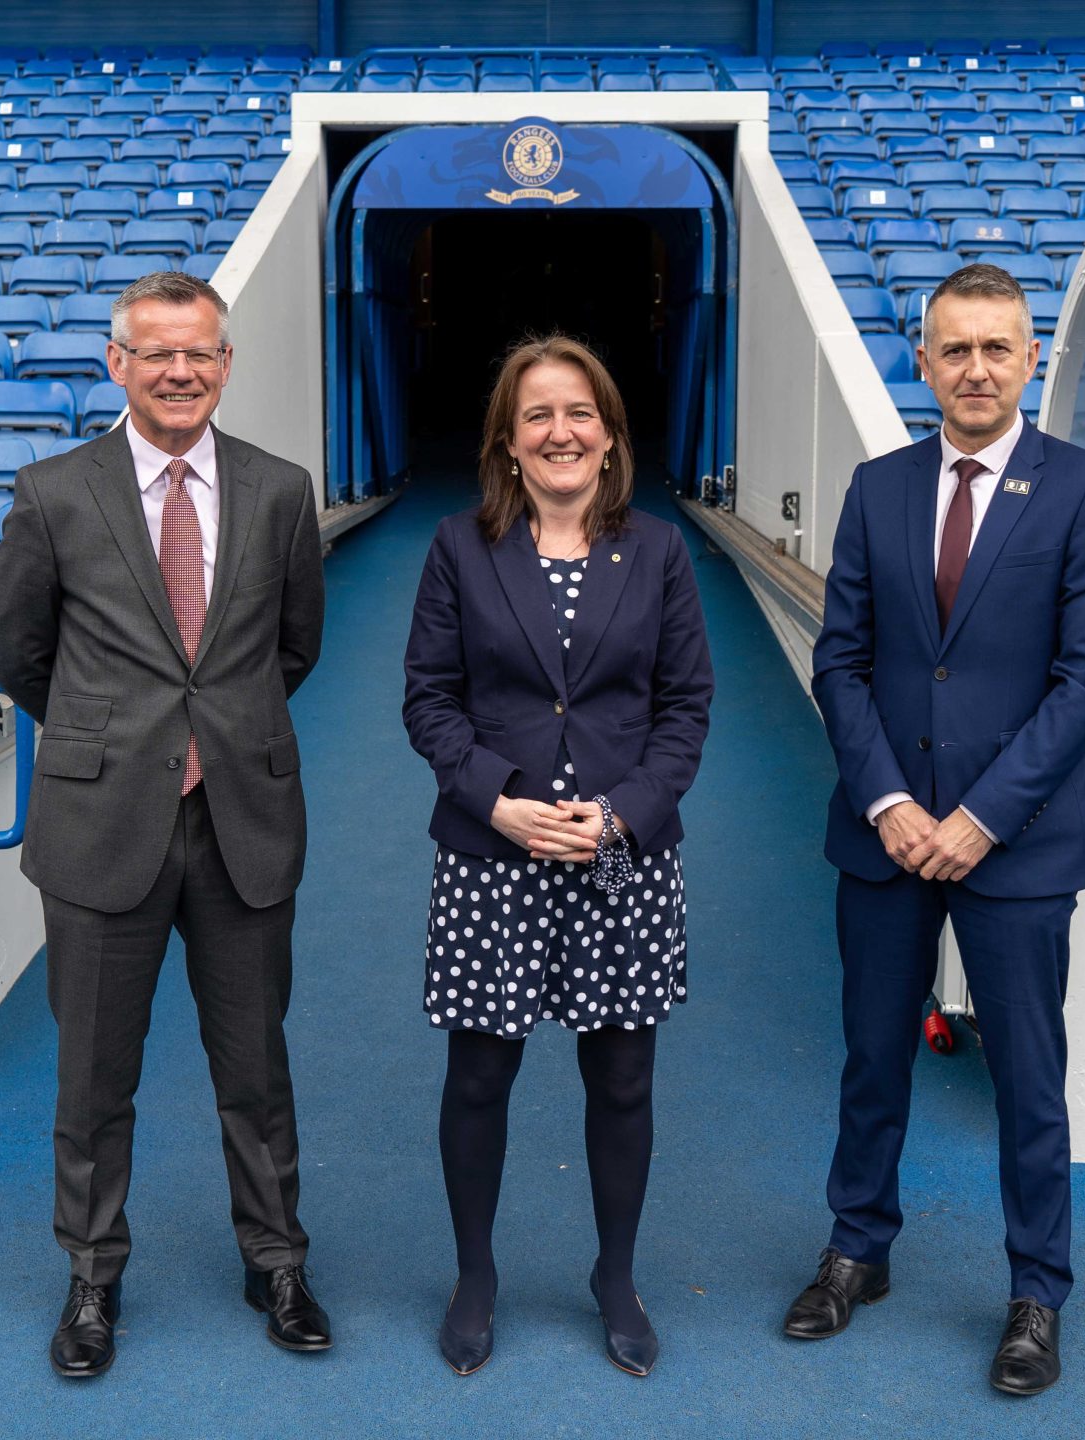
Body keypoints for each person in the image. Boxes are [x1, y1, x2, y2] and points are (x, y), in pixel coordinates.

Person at [782, 263, 1085, 1396]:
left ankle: (1037, 1291)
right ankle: (857, 1247)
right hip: (885, 837)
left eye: (996, 348)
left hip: (1013, 842)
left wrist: (980, 818)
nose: (975, 368)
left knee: (1029, 1076)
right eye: (954, 349)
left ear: (1029, 359)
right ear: (923, 363)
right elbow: (841, 662)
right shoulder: (877, 487)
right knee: (871, 1055)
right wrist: (890, 803)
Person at [0, 270, 330, 1380]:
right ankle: (93, 1276)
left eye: (199, 354)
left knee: (256, 1066)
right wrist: (120, 741)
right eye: (157, 354)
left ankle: (276, 1261)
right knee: (94, 1077)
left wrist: (211, 736)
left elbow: (293, 647)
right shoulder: (52, 493)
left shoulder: (281, 491)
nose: (180, 372)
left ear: (225, 364)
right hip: (101, 825)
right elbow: (20, 656)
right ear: (117, 364)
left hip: (242, 820)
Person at [402, 334, 715, 1378]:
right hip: (494, 853)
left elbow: (685, 707)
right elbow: (429, 700)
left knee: (622, 1077)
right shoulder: (459, 547)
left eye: (579, 411)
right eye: (536, 414)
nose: (559, 431)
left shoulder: (659, 553)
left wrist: (621, 814)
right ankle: (475, 1277)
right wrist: (496, 801)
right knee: (479, 1073)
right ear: (507, 441)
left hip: (618, 854)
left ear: (611, 436)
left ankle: (615, 1277)